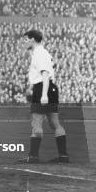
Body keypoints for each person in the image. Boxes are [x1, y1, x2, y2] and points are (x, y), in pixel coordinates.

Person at [22, 29, 68, 163]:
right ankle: (63, 155)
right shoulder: (42, 52)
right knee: (55, 123)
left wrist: (43, 94)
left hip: (43, 87)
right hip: (51, 88)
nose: (24, 42)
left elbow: (45, 74)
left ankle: (33, 156)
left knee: (36, 122)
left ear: (32, 40)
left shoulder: (40, 53)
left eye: (26, 39)